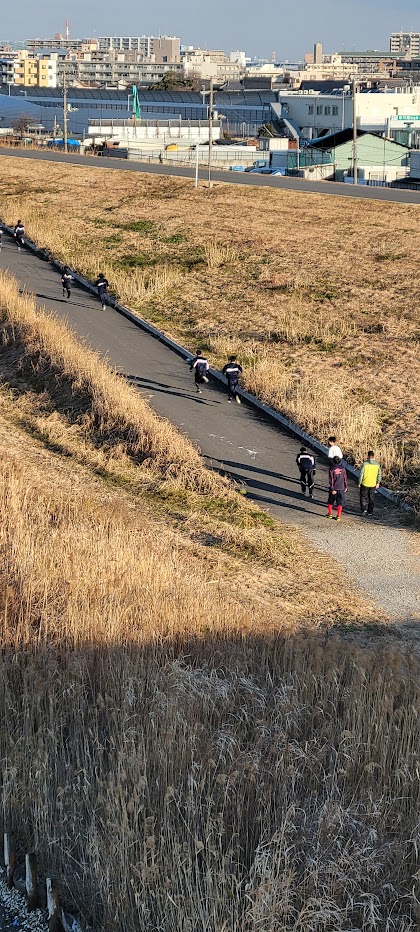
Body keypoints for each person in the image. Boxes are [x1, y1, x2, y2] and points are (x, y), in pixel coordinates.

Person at [359, 451, 381, 516]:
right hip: (373, 484)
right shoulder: (377, 465)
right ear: (374, 456)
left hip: (365, 483)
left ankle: (364, 510)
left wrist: (359, 482)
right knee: (371, 498)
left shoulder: (365, 464)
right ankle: (370, 512)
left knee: (363, 497)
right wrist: (378, 482)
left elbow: (361, 474)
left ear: (368, 456)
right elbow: (379, 475)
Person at [327, 455, 348, 522]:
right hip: (341, 488)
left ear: (333, 461)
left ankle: (330, 514)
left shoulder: (331, 469)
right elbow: (345, 478)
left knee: (330, 501)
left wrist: (332, 488)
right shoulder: (343, 469)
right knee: (340, 502)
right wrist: (346, 487)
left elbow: (331, 480)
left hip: (334, 488)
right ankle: (338, 516)